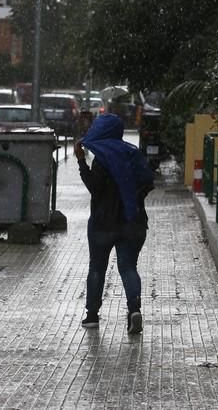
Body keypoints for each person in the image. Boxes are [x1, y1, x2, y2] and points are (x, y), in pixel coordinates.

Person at [74, 112, 155, 334]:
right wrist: (133, 198)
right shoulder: (132, 154)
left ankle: (92, 315)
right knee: (128, 267)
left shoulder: (103, 160)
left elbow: (94, 187)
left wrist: (82, 161)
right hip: (133, 221)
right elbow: (148, 181)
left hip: (103, 223)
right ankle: (134, 309)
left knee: (97, 268)